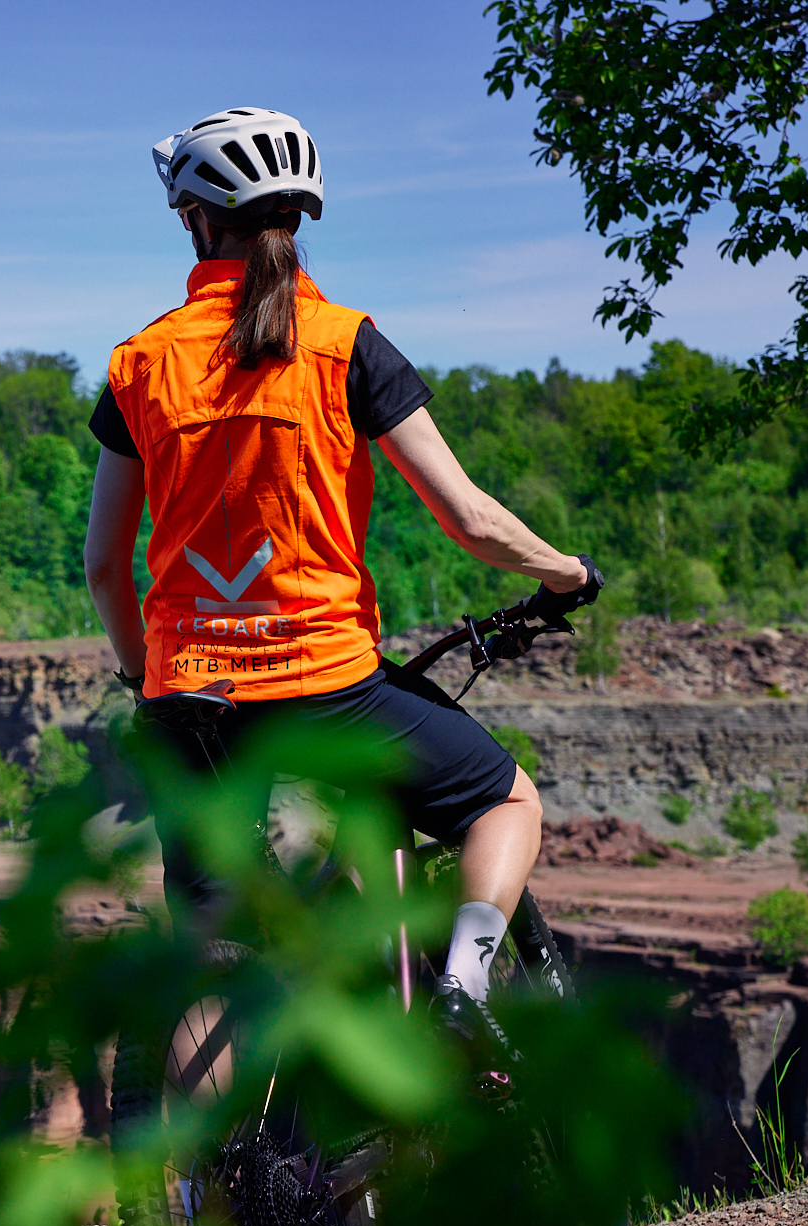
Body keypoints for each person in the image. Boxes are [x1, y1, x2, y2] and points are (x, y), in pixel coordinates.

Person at [81, 107, 600, 1057]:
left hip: (191, 693)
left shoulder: (138, 363)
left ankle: (210, 1197)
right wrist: (565, 574)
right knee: (504, 802)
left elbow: (105, 567)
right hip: (326, 684)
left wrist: (143, 679)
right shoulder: (344, 342)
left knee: (214, 950)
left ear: (199, 222)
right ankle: (464, 991)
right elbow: (469, 519)